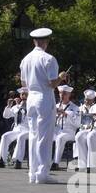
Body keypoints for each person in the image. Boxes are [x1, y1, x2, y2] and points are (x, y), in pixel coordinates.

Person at [18, 27, 66, 184]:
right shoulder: (49, 59)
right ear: (46, 41)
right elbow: (53, 84)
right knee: (44, 137)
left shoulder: (25, 59)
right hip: (44, 97)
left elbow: (23, 83)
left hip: (31, 97)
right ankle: (42, 173)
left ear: (34, 41)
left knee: (33, 135)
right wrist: (61, 77)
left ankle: (32, 172)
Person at [0, 89, 30, 168]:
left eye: (25, 94)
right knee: (5, 136)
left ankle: (18, 160)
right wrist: (9, 106)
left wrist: (23, 106)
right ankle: (2, 159)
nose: (23, 96)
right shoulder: (16, 107)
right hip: (17, 129)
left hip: (28, 130)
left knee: (21, 137)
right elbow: (6, 116)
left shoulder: (32, 106)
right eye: (22, 94)